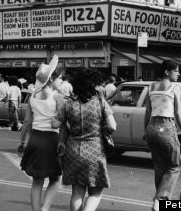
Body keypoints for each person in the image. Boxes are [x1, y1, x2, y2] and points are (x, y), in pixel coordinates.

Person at [52, 67, 116, 211]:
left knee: (77, 192)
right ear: (93, 85)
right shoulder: (100, 102)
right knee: (95, 193)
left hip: (73, 151)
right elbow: (112, 127)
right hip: (95, 150)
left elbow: (55, 123)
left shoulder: (69, 104)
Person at [18, 56, 64, 211]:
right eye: (60, 79)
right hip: (51, 139)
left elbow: (26, 123)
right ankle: (45, 209)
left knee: (37, 181)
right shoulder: (57, 97)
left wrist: (23, 142)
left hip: (35, 139)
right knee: (56, 179)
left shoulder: (32, 97)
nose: (61, 82)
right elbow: (62, 123)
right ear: (52, 79)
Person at [144, 60, 181, 211]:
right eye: (176, 71)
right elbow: (178, 113)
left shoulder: (150, 87)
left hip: (151, 127)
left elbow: (147, 112)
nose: (178, 73)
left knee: (160, 166)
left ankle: (160, 202)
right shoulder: (174, 88)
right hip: (166, 127)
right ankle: (159, 200)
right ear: (167, 72)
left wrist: (146, 131)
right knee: (175, 165)